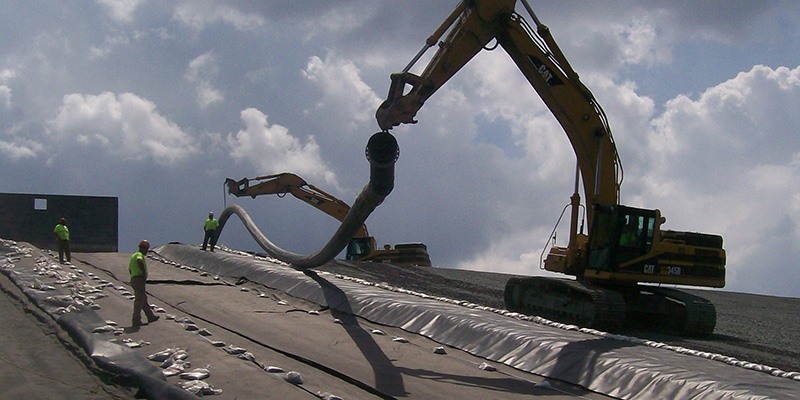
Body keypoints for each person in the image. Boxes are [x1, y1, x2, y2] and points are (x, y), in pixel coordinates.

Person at [129, 240, 159, 327]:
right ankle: (136, 320)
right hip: (139, 279)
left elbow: (130, 269)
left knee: (143, 299)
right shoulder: (139, 255)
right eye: (146, 249)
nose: (146, 251)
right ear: (142, 248)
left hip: (134, 279)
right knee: (139, 300)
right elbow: (139, 261)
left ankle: (150, 316)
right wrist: (143, 273)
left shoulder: (133, 256)